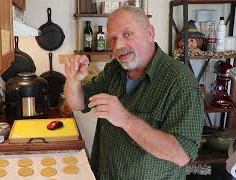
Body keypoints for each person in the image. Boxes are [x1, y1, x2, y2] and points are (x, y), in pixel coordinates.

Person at [64, 6, 204, 180]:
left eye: (127, 34)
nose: (118, 45)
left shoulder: (180, 80)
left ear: (150, 33)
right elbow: (78, 102)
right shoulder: (114, 69)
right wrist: (73, 79)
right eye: (113, 38)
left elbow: (181, 155)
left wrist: (125, 119)